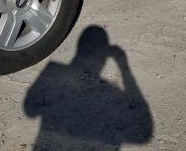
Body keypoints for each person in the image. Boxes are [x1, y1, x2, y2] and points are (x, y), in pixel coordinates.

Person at [24, 26, 153, 151]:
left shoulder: (53, 71)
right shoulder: (111, 93)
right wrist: (123, 65)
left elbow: (29, 110)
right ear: (103, 59)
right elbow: (144, 133)